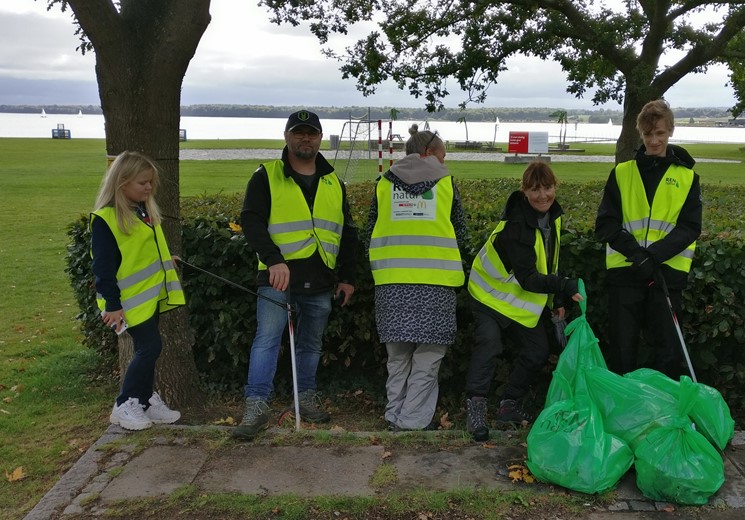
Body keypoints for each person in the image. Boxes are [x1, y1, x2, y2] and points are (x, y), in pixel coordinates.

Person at [232, 109, 357, 440]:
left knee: (311, 344)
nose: (306, 138)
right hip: (278, 277)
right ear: (287, 136)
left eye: (311, 133)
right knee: (267, 341)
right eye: (299, 132)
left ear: (320, 138)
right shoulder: (266, 175)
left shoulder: (333, 182)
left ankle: (305, 398)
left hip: (321, 278)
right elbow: (252, 221)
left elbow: (347, 233)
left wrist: (347, 276)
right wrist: (273, 260)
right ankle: (256, 406)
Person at [464, 161, 583, 442]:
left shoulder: (553, 217)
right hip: (488, 296)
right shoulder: (517, 225)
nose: (543, 195)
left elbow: (550, 262)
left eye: (548, 188)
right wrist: (564, 285)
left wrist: (557, 300)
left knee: (537, 351)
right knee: (489, 344)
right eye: (535, 190)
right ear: (524, 191)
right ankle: (476, 409)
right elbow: (529, 277)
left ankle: (509, 406)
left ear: (555, 187)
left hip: (516, 301)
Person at [365, 126, 469, 432]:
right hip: (436, 282)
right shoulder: (447, 183)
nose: (444, 162)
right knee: (429, 355)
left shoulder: (383, 183)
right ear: (428, 153)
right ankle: (412, 421)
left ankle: (394, 415)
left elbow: (370, 230)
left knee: (397, 356)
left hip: (391, 282)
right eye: (442, 156)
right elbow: (461, 232)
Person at [595, 99, 702, 377]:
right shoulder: (622, 173)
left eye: (660, 133)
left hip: (666, 275)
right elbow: (606, 224)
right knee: (622, 350)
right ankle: (622, 402)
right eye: (648, 134)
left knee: (668, 352)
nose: (654, 141)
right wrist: (637, 254)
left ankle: (664, 403)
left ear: (671, 131)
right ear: (640, 133)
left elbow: (690, 227)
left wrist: (653, 256)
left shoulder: (687, 177)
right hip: (626, 273)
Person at [91, 151, 186, 431]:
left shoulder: (142, 211)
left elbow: (142, 250)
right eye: (142, 183)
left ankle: (144, 401)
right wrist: (112, 305)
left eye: (151, 182)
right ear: (122, 183)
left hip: (148, 297)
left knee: (150, 349)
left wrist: (167, 259)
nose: (149, 188)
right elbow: (103, 267)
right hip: (126, 301)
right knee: (150, 347)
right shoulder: (106, 219)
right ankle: (124, 404)